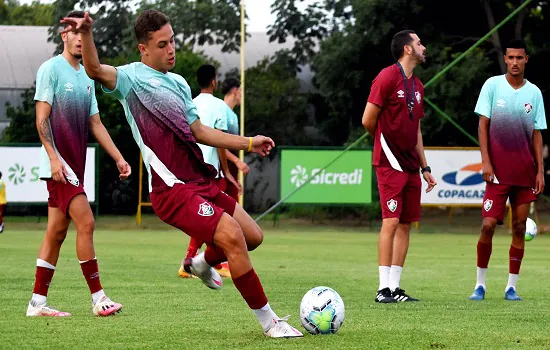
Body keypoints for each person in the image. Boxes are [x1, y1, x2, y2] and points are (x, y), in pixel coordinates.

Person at [61, 10, 303, 337]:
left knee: (253, 237)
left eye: (173, 40)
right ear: (143, 49)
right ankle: (270, 322)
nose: (171, 48)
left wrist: (247, 142)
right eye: (162, 44)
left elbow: (200, 131)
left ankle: (200, 263)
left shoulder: (179, 83)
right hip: (171, 190)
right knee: (231, 235)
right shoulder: (130, 78)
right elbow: (92, 69)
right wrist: (87, 33)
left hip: (199, 182)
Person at [27, 10, 131, 317]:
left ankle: (37, 303)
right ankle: (99, 298)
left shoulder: (87, 75)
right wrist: (53, 158)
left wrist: (118, 157)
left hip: (73, 166)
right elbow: (41, 120)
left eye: (83, 33)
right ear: (64, 35)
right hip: (61, 167)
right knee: (86, 222)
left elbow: (95, 123)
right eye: (73, 32)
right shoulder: (51, 69)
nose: (78, 38)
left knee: (56, 232)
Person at [362, 29, 437, 303]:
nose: (423, 47)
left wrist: (425, 167)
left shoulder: (418, 86)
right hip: (390, 162)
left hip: (410, 165)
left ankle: (395, 288)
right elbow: (367, 119)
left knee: (406, 224)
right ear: (407, 49)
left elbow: (416, 130)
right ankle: (382, 289)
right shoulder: (386, 77)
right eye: (419, 43)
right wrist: (384, 143)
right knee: (391, 221)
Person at [469, 39, 546, 301]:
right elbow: (482, 126)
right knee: (488, 225)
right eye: (510, 57)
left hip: (525, 173)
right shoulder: (492, 86)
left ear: (526, 60)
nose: (515, 62)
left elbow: (537, 134)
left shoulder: (534, 93)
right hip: (497, 173)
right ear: (505, 58)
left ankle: (511, 287)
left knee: (519, 227)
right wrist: (486, 162)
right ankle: (480, 285)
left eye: (519, 58)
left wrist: (540, 171)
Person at [178, 65, 237, 279]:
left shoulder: (189, 103)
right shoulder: (220, 106)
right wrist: (227, 170)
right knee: (214, 215)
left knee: (205, 214)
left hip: (190, 168)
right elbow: (219, 141)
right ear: (214, 82)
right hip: (210, 170)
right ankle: (192, 261)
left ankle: (205, 261)